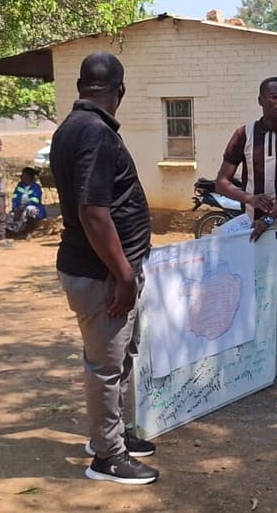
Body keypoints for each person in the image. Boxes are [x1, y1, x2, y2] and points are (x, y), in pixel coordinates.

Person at [51, 52, 158, 485]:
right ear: (120, 90)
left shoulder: (71, 128)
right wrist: (125, 275)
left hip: (105, 272)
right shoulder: (95, 133)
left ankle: (113, 436)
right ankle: (106, 457)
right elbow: (94, 213)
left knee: (118, 358)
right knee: (105, 366)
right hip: (104, 276)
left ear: (81, 87)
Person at [216, 76, 277, 388]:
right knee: (249, 294)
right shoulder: (243, 134)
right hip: (250, 231)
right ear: (261, 99)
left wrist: (270, 217)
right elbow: (222, 181)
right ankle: (249, 362)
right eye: (275, 96)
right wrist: (248, 199)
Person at [9, 167, 47, 240]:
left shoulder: (35, 187)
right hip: (19, 208)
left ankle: (29, 232)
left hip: (33, 207)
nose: (21, 176)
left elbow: (35, 200)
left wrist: (23, 207)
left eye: (23, 174)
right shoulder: (20, 186)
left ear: (28, 176)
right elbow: (15, 198)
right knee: (10, 217)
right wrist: (15, 208)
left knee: (31, 211)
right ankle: (14, 233)